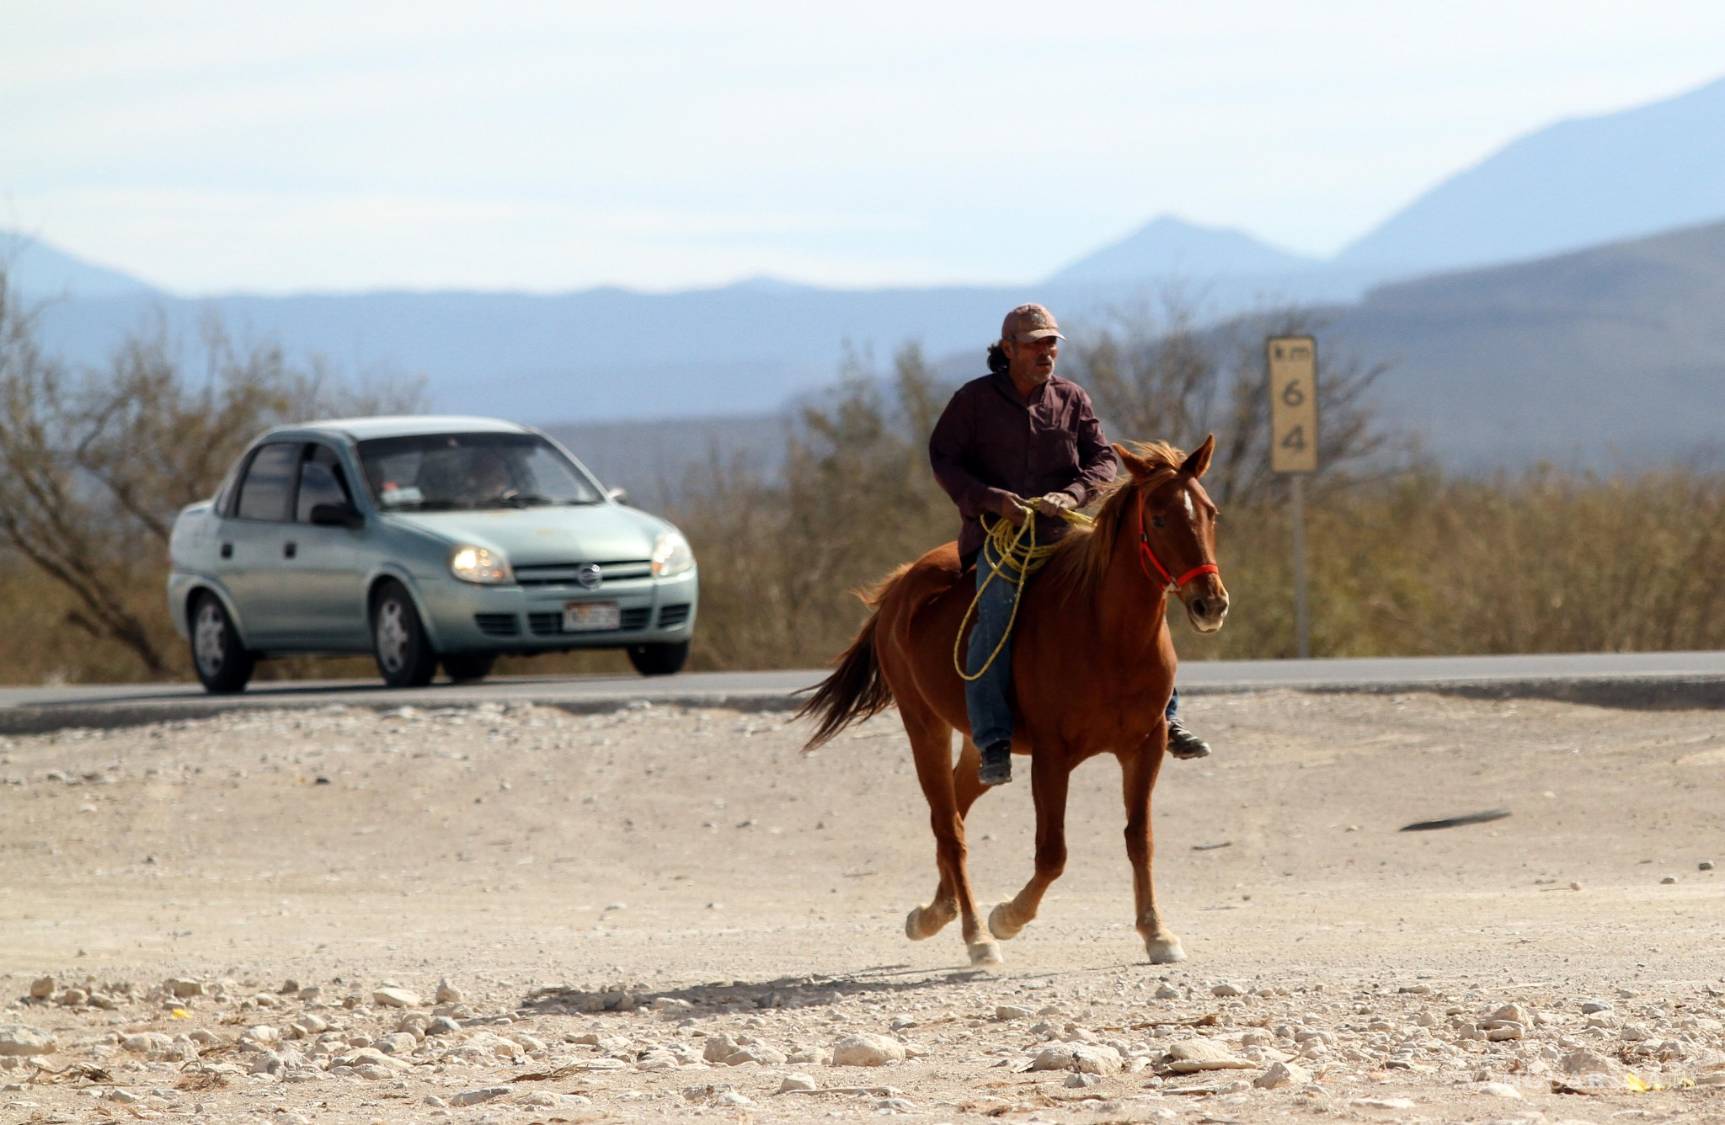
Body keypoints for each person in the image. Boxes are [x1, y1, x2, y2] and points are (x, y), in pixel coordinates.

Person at [928, 303, 1213, 786]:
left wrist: (1072, 494)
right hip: (999, 537)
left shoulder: (1071, 398)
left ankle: (1166, 714)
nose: (1048, 351)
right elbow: (945, 460)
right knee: (994, 614)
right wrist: (994, 501)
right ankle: (993, 737)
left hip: (1064, 532)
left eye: (1052, 342)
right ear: (1007, 349)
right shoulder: (972, 401)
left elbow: (1102, 459)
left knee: (1137, 591)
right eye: (1037, 343)